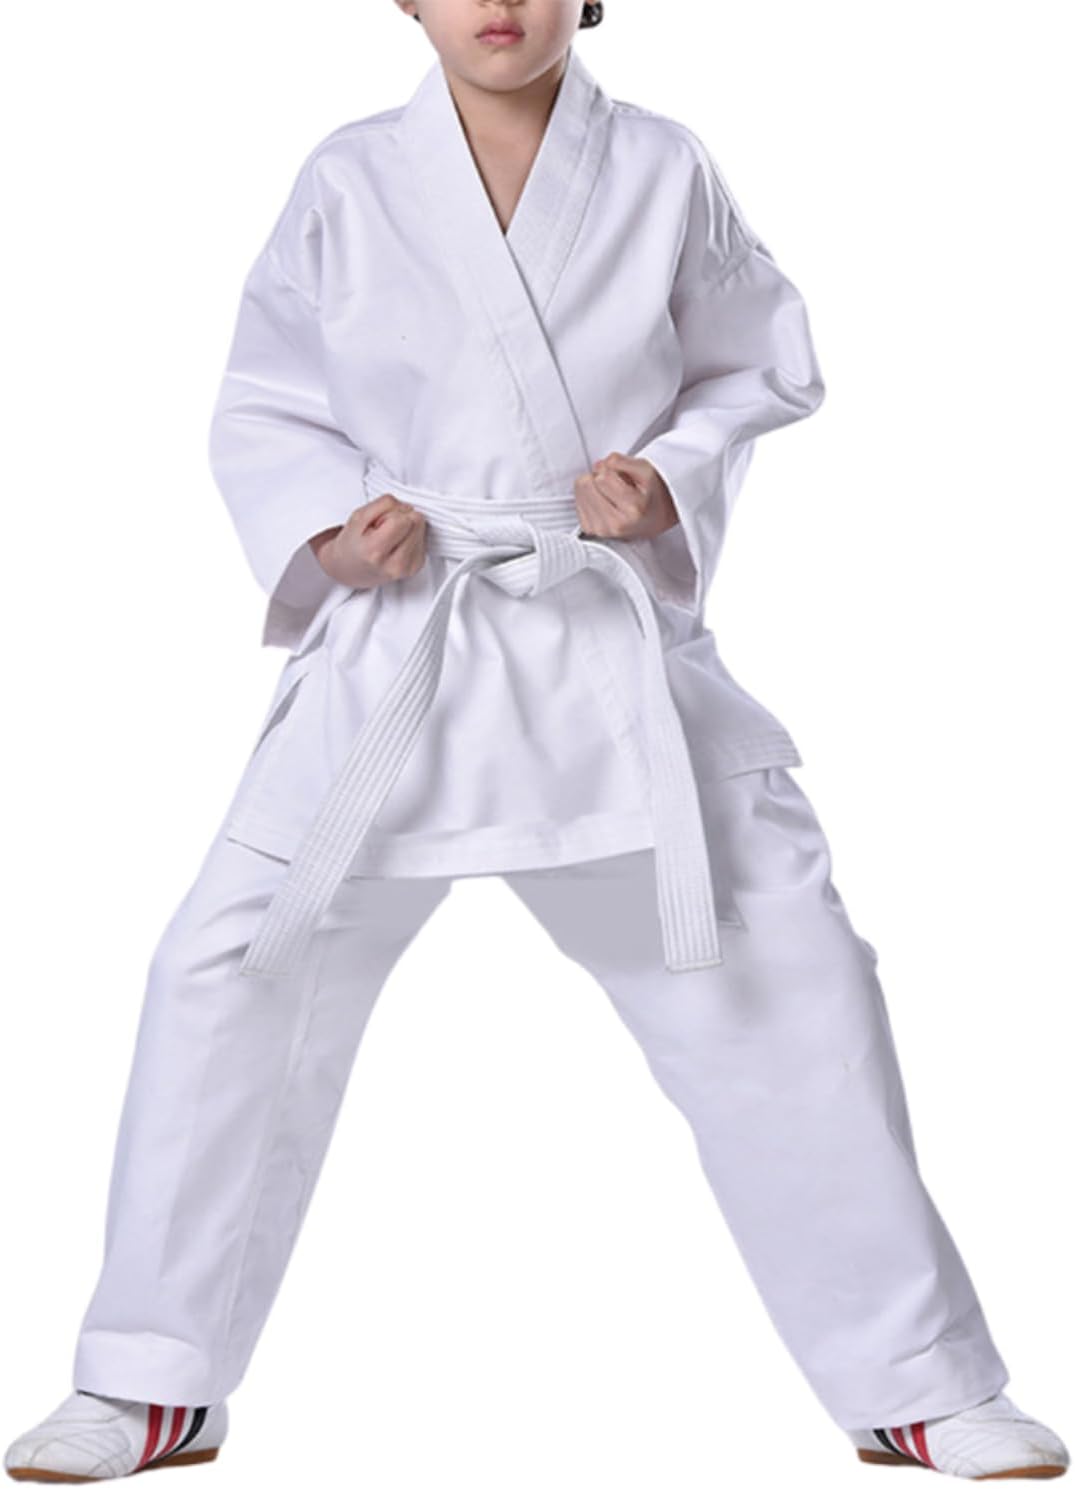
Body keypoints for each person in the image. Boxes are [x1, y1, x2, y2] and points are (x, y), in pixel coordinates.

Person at [5, 1, 1069, 1481]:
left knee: (789, 976)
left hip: (598, 642)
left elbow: (759, 364)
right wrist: (334, 534)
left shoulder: (663, 168)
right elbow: (267, 400)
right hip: (404, 646)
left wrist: (669, 479)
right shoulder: (349, 177)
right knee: (224, 974)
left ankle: (916, 1379)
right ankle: (151, 1379)